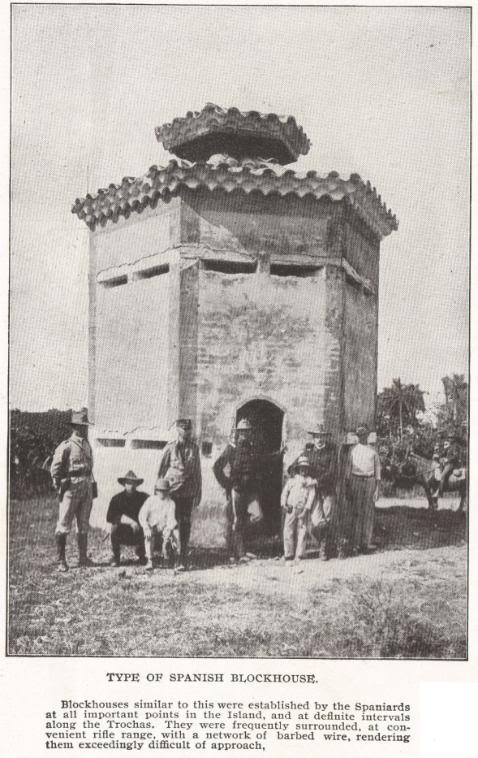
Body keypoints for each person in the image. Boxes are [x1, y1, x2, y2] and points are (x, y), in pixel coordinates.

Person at [213, 417, 284, 562]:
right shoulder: (231, 449)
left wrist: (279, 454)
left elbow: (264, 460)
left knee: (257, 516)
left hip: (251, 491)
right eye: (242, 432)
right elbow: (217, 467)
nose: (245, 434)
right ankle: (239, 552)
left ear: (251, 433)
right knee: (237, 521)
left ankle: (243, 546)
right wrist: (227, 484)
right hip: (237, 490)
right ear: (238, 433)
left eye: (247, 431)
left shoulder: (253, 448)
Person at [50, 408, 96, 571]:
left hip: (86, 486)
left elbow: (90, 467)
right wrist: (58, 485)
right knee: (64, 523)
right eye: (80, 426)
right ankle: (61, 560)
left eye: (85, 426)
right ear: (74, 427)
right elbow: (55, 468)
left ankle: (82, 557)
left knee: (83, 523)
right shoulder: (66, 446)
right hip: (71, 487)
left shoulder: (87, 445)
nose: (83, 429)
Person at [289, 424, 338, 560]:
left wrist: (316, 481)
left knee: (327, 520)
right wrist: (300, 479)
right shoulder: (308, 452)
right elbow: (292, 467)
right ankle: (325, 544)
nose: (319, 440)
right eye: (316, 437)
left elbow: (333, 472)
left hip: (327, 490)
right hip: (314, 493)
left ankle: (323, 550)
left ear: (325, 438)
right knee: (316, 522)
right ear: (313, 438)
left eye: (321, 436)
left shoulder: (331, 453)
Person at [157, 419, 201, 570]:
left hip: (188, 491)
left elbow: (197, 473)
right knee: (171, 523)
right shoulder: (170, 448)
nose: (186, 433)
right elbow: (161, 470)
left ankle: (182, 557)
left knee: (186, 524)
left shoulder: (194, 448)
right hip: (173, 491)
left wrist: (198, 492)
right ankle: (169, 555)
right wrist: (158, 490)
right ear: (178, 430)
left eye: (188, 430)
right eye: (183, 430)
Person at [344, 424, 381, 555]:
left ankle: (366, 543)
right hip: (356, 480)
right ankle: (355, 544)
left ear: (367, 435)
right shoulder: (352, 450)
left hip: (370, 481)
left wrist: (377, 489)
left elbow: (378, 471)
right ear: (357, 436)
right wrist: (348, 485)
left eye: (364, 434)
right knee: (356, 512)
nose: (361, 437)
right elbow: (348, 469)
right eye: (359, 435)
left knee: (368, 513)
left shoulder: (373, 450)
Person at [106, 470, 148, 567]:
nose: (131, 486)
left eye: (134, 483)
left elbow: (153, 509)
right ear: (124, 484)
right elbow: (110, 516)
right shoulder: (116, 499)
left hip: (139, 531)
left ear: (137, 485)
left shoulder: (144, 497)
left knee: (148, 528)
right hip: (123, 532)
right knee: (114, 528)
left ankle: (142, 555)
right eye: (129, 483)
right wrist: (130, 522)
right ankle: (116, 557)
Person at [139, 478, 180, 571]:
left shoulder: (171, 503)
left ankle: (175, 559)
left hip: (164, 526)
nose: (162, 493)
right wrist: (146, 527)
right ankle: (150, 560)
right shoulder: (150, 500)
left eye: (165, 491)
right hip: (152, 526)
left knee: (175, 532)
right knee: (148, 536)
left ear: (168, 491)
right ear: (156, 490)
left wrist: (169, 529)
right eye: (160, 491)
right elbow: (142, 515)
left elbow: (171, 518)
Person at [280, 456, 316, 563]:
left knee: (302, 530)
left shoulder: (310, 481)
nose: (303, 471)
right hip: (291, 507)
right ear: (298, 469)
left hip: (302, 508)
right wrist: (284, 505)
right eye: (301, 468)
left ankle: (299, 554)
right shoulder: (292, 480)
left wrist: (306, 510)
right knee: (288, 530)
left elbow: (311, 496)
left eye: (305, 468)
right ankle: (288, 553)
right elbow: (285, 493)